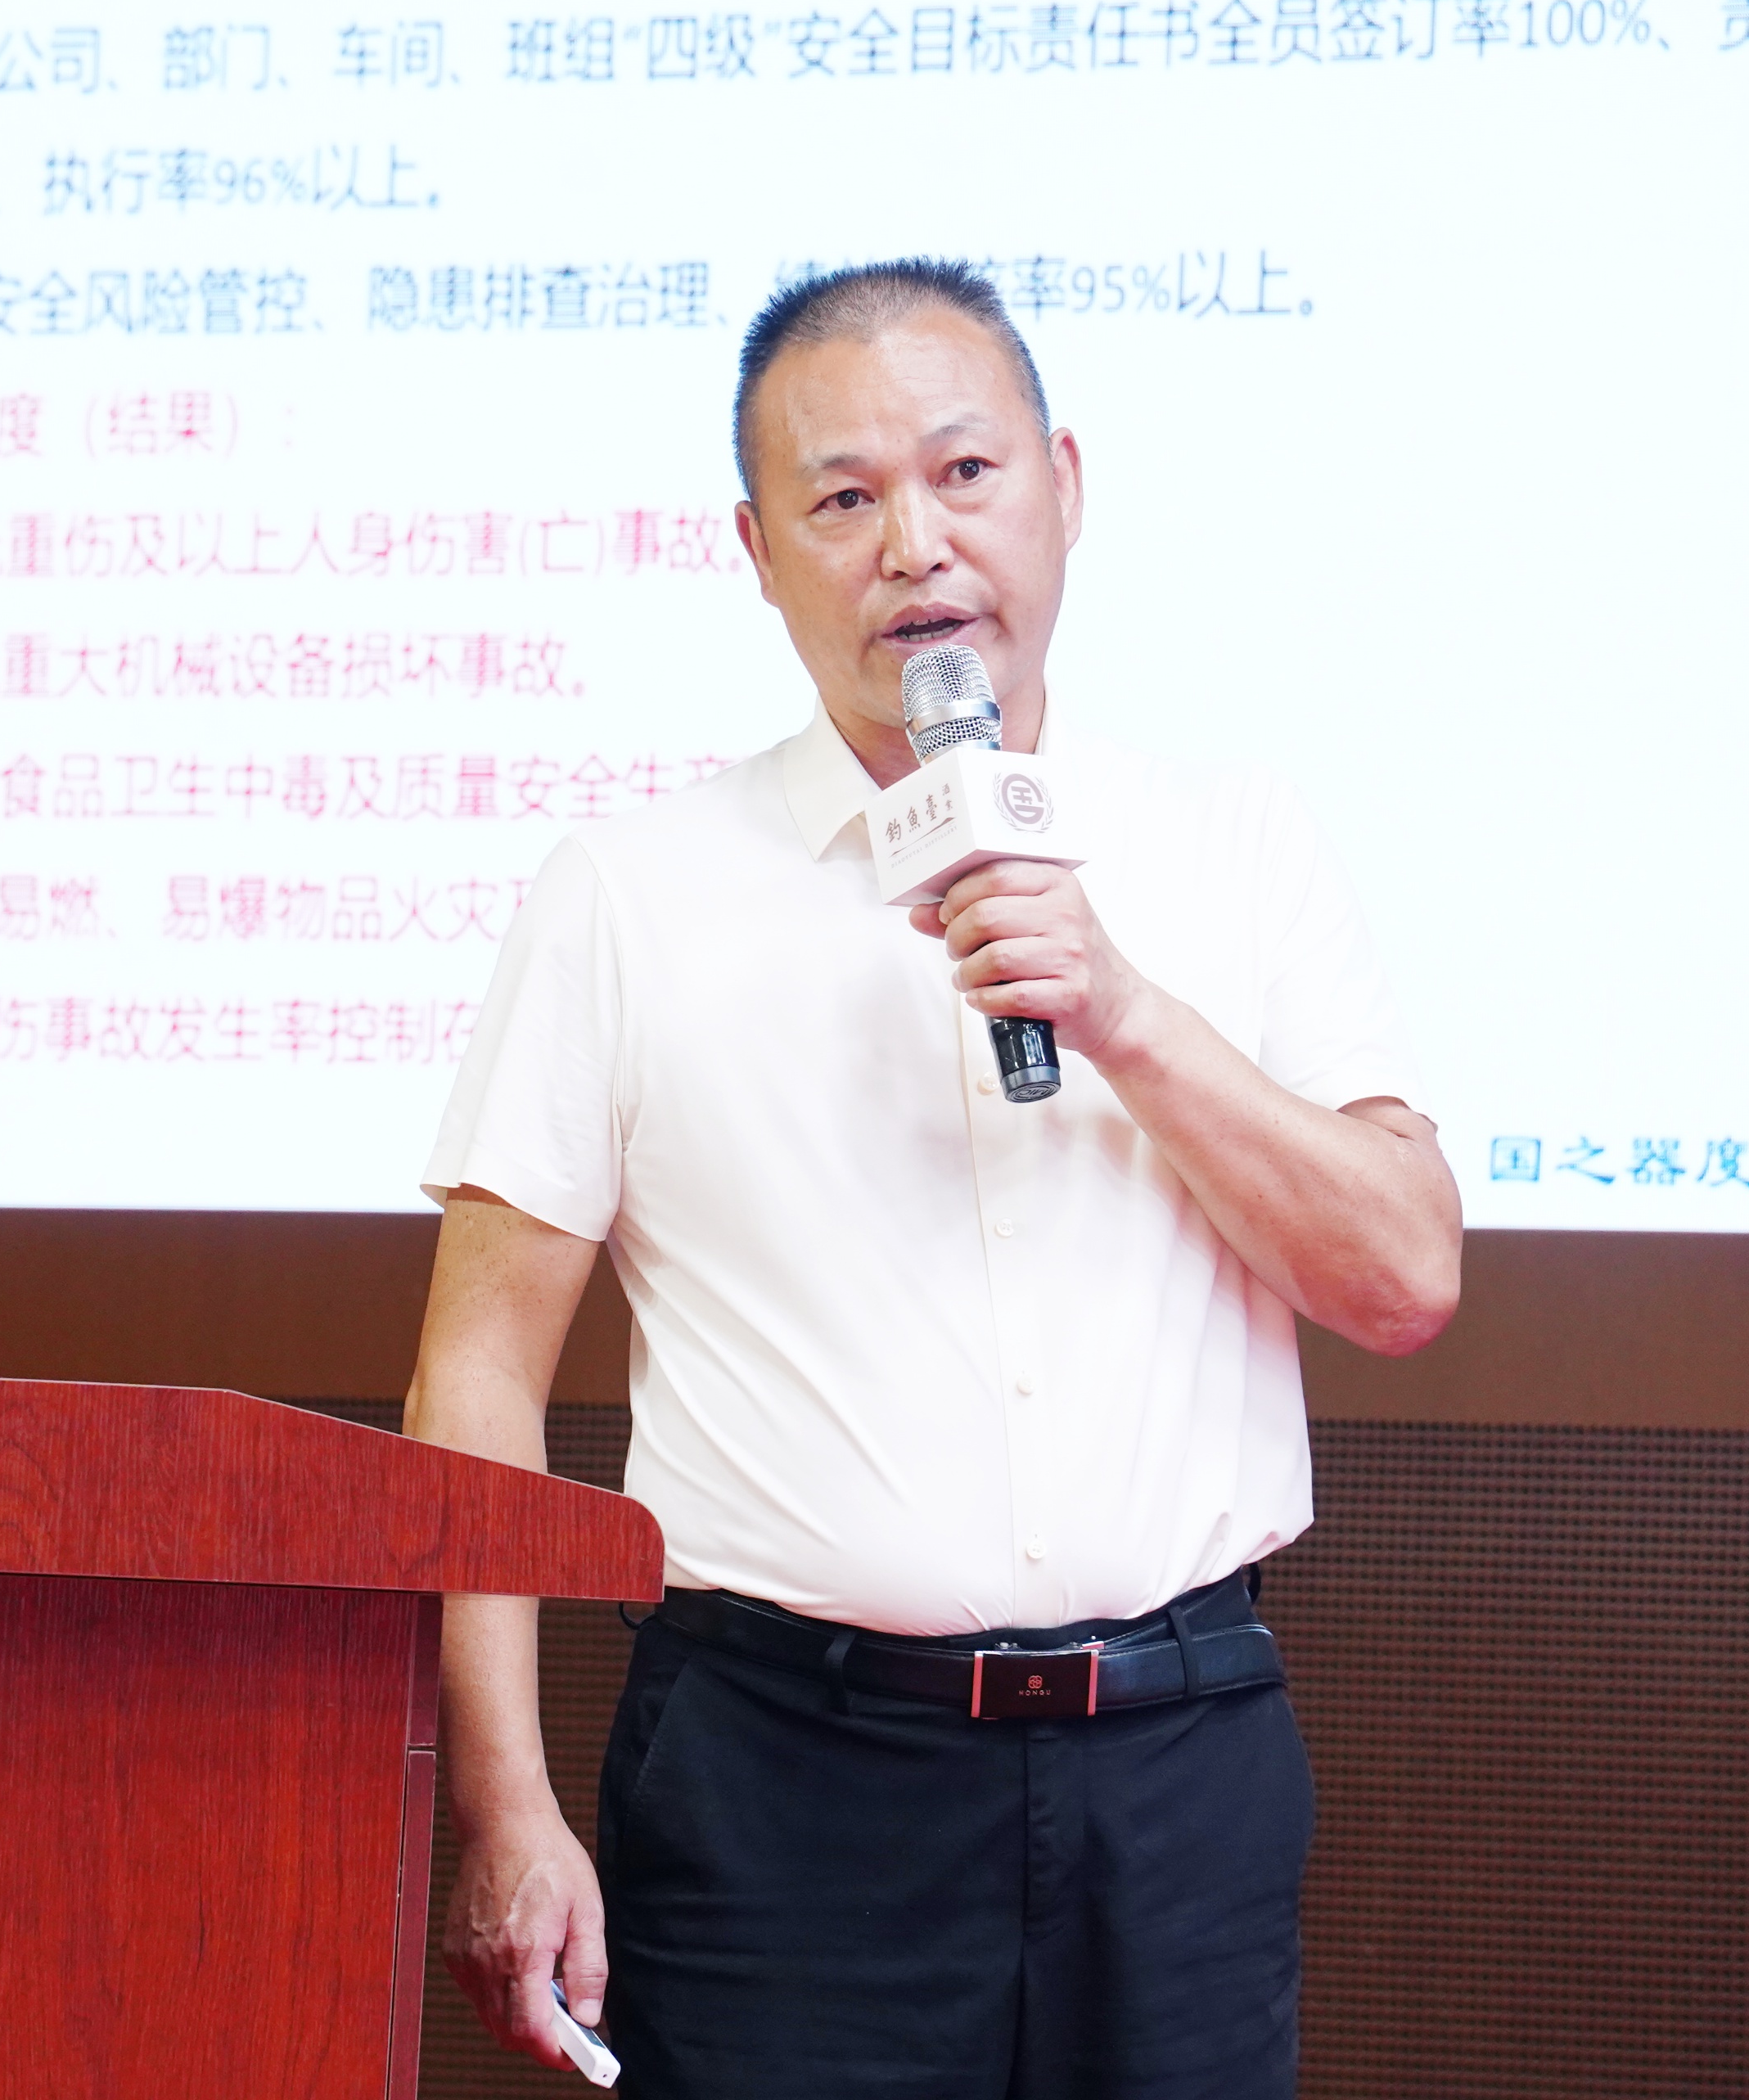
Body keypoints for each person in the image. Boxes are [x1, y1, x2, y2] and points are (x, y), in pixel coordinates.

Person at [402, 259, 1461, 2098]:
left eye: (965, 473)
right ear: (758, 549)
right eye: (843, 497)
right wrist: (503, 1801)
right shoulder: (631, 890)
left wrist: (1124, 1011)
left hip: (1178, 1767)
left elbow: (1403, 1277)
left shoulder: (1233, 844)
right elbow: (478, 1372)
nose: (915, 543)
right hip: (783, 1786)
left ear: (1065, 483)